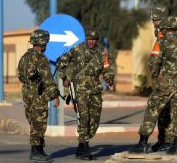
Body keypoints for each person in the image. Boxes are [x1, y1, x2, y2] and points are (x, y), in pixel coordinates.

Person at [131, 16, 177, 155]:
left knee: (152, 110)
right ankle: (175, 146)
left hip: (164, 84)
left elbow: (153, 62)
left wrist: (156, 75)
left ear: (165, 29)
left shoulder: (162, 41)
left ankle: (142, 144)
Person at [57, 28, 115, 160]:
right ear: (86, 39)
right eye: (89, 39)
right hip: (80, 89)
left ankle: (81, 146)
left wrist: (110, 81)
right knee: (84, 118)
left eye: (93, 40)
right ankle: (84, 148)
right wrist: (64, 77)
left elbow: (106, 69)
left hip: (95, 89)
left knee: (95, 120)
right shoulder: (78, 49)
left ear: (97, 41)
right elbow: (63, 61)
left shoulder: (101, 54)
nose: (91, 42)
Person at [17, 29, 60, 162]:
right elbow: (48, 79)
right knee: (39, 122)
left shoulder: (25, 56)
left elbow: (20, 75)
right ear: (43, 43)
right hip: (38, 94)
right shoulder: (40, 58)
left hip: (27, 92)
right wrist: (55, 96)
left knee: (33, 120)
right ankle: (35, 152)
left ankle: (40, 150)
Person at [149, 5, 174, 152]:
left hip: (169, 77)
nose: (154, 22)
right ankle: (162, 139)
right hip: (161, 77)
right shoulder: (159, 33)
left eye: (157, 19)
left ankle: (169, 141)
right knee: (161, 111)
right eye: (153, 19)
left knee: (169, 110)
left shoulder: (169, 33)